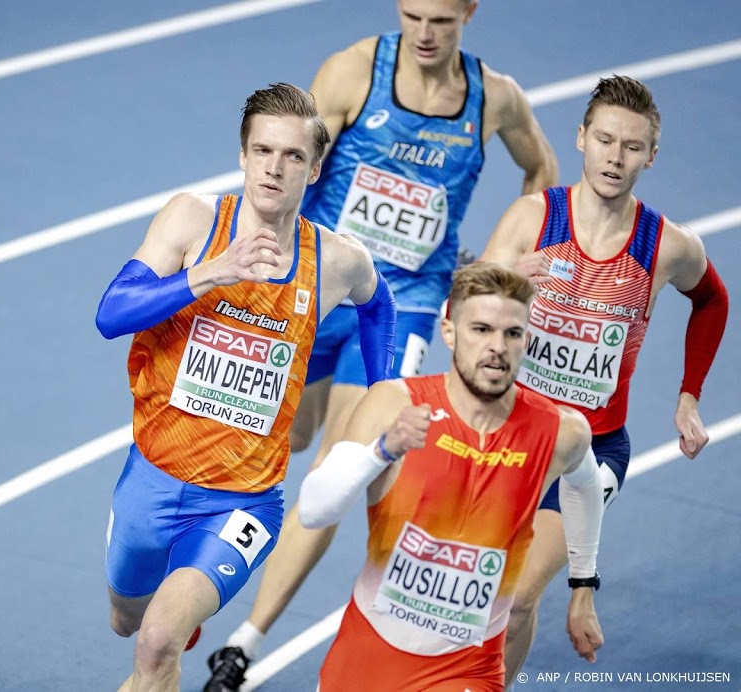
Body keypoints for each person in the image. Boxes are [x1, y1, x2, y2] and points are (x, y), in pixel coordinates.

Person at [205, 1, 558, 687]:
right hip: (327, 280)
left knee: (338, 461)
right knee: (297, 432)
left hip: (407, 304)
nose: (424, 34)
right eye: (412, 15)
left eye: (441, 21)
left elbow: (542, 172)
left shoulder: (495, 99)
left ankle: (243, 645)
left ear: (469, 14)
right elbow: (294, 167)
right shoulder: (352, 73)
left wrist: (489, 272)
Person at [94, 82, 398, 692]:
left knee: (155, 645)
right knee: (127, 622)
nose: (274, 167)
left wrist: (383, 388)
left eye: (291, 156)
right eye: (263, 151)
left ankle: (176, 625)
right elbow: (110, 314)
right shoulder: (194, 220)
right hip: (152, 478)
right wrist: (209, 274)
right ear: (242, 155)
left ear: (314, 169)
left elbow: (378, 304)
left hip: (242, 501)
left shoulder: (336, 261)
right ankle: (174, 620)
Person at [478, 74, 729, 686]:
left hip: (589, 453)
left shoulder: (666, 246)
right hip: (506, 436)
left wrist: (689, 395)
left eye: (633, 146)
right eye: (606, 140)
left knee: (510, 598)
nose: (616, 158)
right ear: (582, 138)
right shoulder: (534, 217)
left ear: (651, 155)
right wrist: (504, 277)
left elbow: (713, 301)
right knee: (485, 600)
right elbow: (461, 313)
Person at [296, 262, 605, 691]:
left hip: (468, 672)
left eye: (512, 334)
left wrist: (583, 582)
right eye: (480, 329)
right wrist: (382, 450)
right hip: (366, 660)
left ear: (526, 341)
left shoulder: (560, 433)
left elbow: (586, 486)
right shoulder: (394, 403)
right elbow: (313, 510)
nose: (497, 346)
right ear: (449, 332)